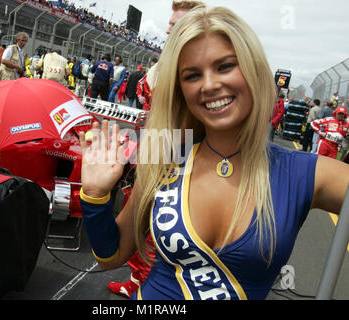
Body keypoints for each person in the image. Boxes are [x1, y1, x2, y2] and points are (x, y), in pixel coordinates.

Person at [78, 6, 349, 300]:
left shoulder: (305, 172)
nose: (209, 85)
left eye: (225, 66)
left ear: (253, 70)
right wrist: (94, 195)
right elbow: (111, 256)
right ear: (180, 89)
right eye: (192, 75)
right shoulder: (166, 153)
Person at [107, 0, 204, 298]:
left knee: (158, 222)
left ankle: (149, 285)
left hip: (178, 157)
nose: (167, 29)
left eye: (174, 25)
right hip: (154, 147)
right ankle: (139, 280)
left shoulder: (195, 69)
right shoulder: (169, 62)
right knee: (139, 216)